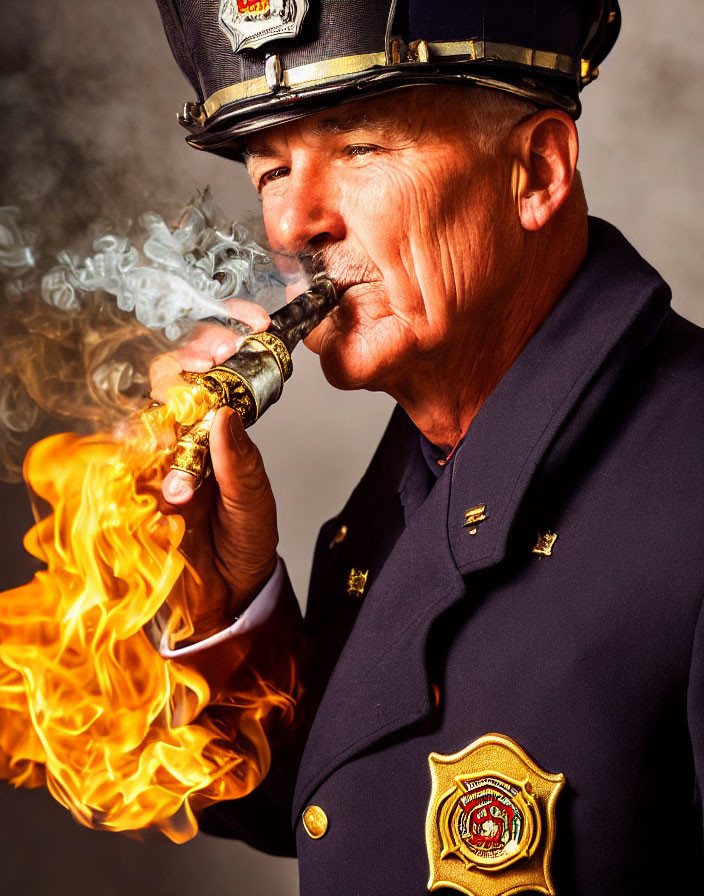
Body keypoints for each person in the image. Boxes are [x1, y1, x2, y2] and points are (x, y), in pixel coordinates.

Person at [153, 1, 704, 894]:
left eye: (360, 147)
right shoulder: (411, 480)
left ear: (537, 170)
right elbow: (313, 809)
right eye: (270, 170)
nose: (295, 225)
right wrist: (221, 594)